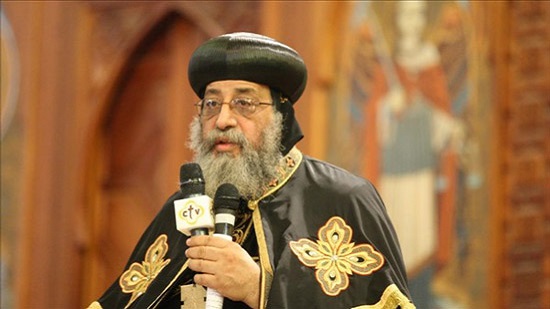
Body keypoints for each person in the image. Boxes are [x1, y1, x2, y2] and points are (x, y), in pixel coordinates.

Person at [87, 32, 414, 309]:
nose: (223, 120)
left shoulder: (342, 198)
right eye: (212, 104)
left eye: (244, 103)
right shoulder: (182, 209)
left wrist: (261, 288)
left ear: (282, 116)